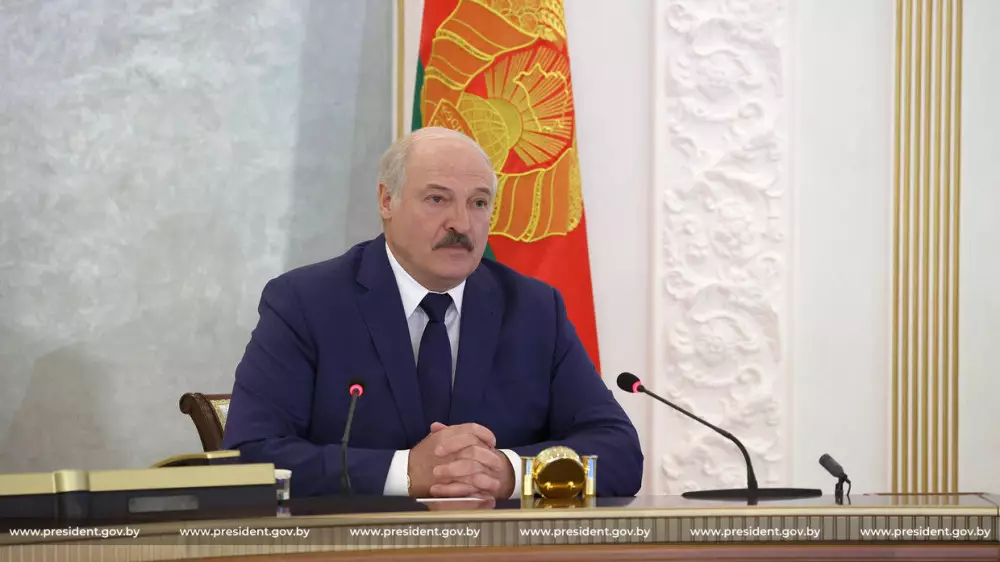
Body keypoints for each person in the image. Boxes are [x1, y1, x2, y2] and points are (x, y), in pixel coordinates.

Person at [221, 127, 643, 499]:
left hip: (496, 550)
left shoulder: (534, 309)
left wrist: (509, 473)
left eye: (478, 203)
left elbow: (620, 453)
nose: (461, 223)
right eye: (438, 199)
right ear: (387, 200)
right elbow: (249, 458)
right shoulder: (306, 303)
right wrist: (405, 473)